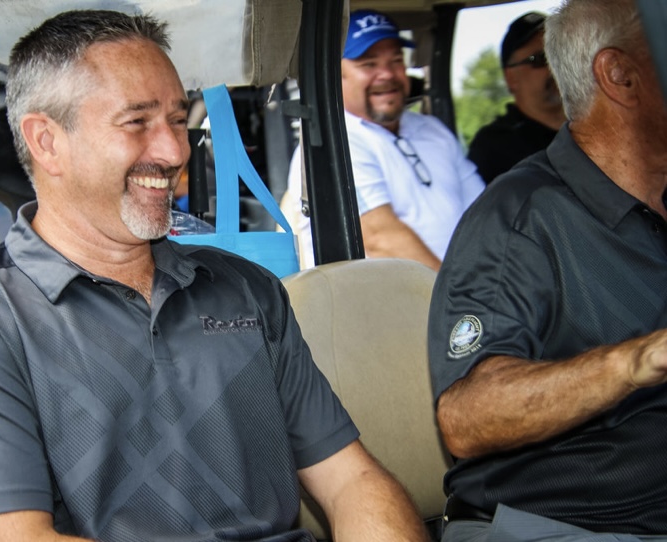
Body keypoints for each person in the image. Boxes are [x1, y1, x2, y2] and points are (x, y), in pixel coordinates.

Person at [0, 10, 428, 542]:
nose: (174, 151)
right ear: (47, 141)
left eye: (176, 119)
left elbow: (352, 481)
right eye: (137, 122)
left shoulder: (247, 290)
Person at [428, 0, 667, 540]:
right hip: (573, 526)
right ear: (619, 76)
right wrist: (636, 361)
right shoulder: (518, 219)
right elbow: (467, 416)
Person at [284, 9, 484, 271]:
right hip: (389, 295)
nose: (387, 74)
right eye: (369, 64)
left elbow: (482, 212)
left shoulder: (432, 130)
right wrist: (460, 293)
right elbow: (380, 240)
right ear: (335, 74)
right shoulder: (336, 144)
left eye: (396, 60)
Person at [466, 11, 567, 185]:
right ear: (511, 78)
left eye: (560, 55)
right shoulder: (494, 147)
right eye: (540, 59)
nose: (555, 67)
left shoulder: (597, 123)